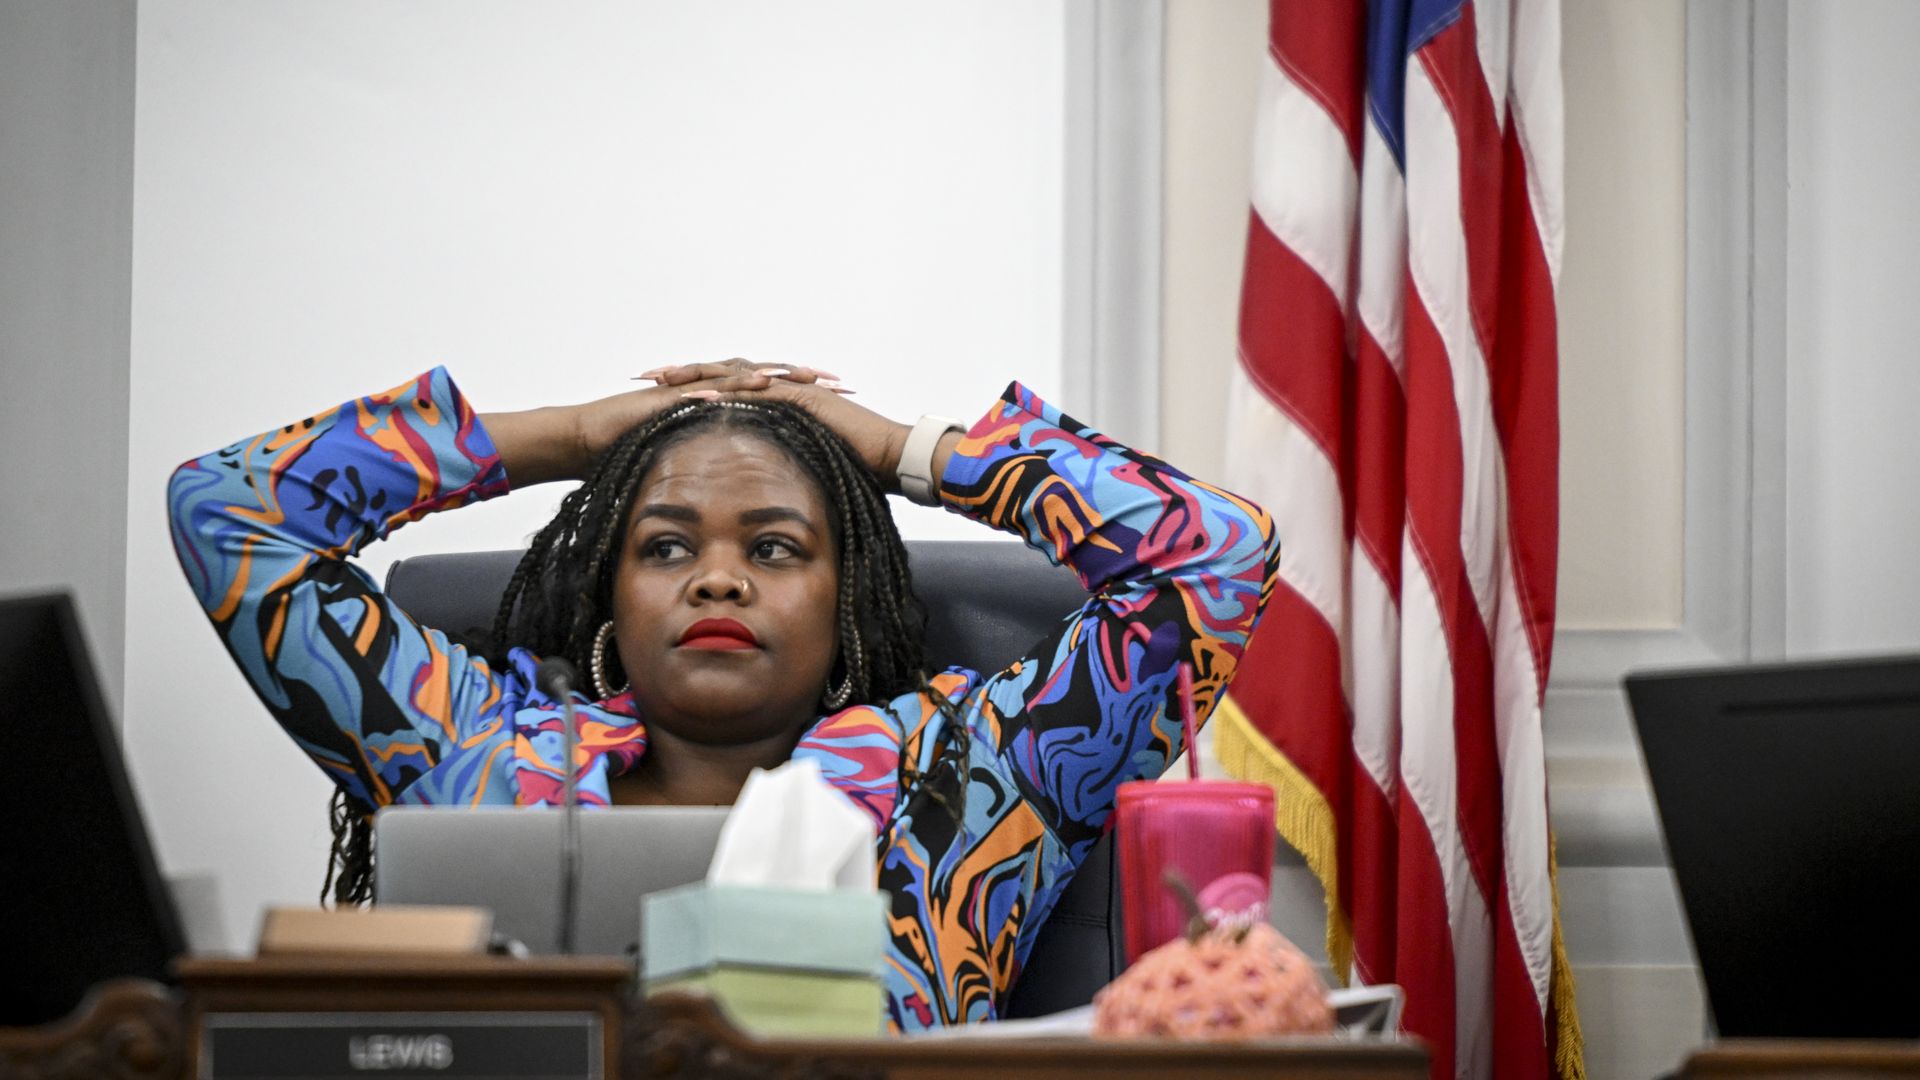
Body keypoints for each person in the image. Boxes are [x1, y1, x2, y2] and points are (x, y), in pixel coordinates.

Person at [168, 360, 1280, 1031]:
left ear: (849, 602)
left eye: (777, 546)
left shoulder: (976, 777)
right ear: (610, 594)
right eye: (662, 544)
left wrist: (901, 452)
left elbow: (1215, 561)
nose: (716, 575)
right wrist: (577, 439)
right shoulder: (483, 753)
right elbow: (228, 512)